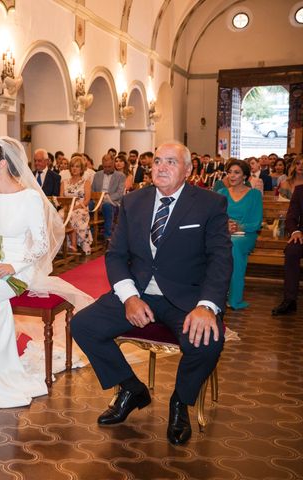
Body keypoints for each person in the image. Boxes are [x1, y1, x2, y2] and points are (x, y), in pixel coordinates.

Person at [71, 142, 232, 446]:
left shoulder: (209, 204)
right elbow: (116, 255)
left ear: (188, 170)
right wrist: (130, 297)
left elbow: (220, 259)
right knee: (83, 325)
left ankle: (179, 402)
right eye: (158, 161)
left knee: (208, 341)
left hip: (186, 298)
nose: (161, 167)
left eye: (171, 162)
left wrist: (207, 306)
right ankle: (132, 388)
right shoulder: (134, 201)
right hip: (140, 291)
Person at [0, 136, 92, 408]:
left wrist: (14, 265)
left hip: (18, 271)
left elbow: (42, 243)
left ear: (3, 163)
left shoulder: (29, 198)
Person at [218, 160, 262, 310]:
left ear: (245, 175)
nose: (232, 175)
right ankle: (214, 294)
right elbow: (214, 219)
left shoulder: (254, 195)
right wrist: (225, 226)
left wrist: (238, 226)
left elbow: (256, 223)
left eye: (236, 172)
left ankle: (234, 298)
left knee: (234, 245)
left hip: (246, 235)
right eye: (229, 172)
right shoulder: (221, 193)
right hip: (224, 233)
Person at [272, 184, 303, 316]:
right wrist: (295, 231)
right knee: (292, 251)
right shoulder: (300, 190)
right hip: (302, 236)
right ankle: (290, 301)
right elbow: (291, 216)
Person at [61, 155, 92, 254]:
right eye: (72, 166)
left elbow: (87, 200)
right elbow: (61, 198)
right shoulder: (64, 182)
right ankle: (64, 244)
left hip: (80, 208)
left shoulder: (85, 182)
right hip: (66, 207)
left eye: (77, 166)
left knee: (72, 215)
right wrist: (67, 207)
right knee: (58, 216)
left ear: (82, 168)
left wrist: (75, 207)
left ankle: (73, 244)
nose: (74, 169)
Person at [91, 154, 126, 240]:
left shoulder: (120, 176)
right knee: (88, 205)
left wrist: (106, 198)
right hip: (97, 201)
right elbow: (92, 190)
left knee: (107, 206)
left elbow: (119, 193)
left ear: (113, 163)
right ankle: (89, 234)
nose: (107, 169)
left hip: (113, 202)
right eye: (105, 167)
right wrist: (98, 199)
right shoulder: (97, 175)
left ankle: (108, 236)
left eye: (109, 166)